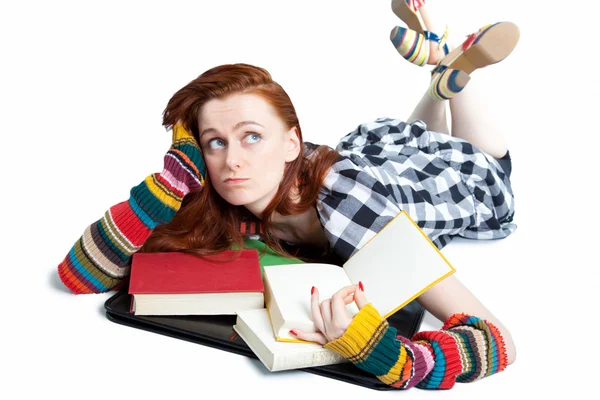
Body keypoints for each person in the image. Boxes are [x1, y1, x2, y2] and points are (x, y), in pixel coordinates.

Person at [56, 1, 519, 390]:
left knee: (487, 158)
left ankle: (454, 67)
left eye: (251, 136)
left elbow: (498, 338)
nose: (232, 160)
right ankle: (441, 76)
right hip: (380, 148)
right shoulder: (218, 194)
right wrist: (168, 185)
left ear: (292, 143)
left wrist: (390, 358)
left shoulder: (351, 206)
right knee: (409, 134)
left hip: (455, 182)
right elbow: (78, 277)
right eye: (214, 141)